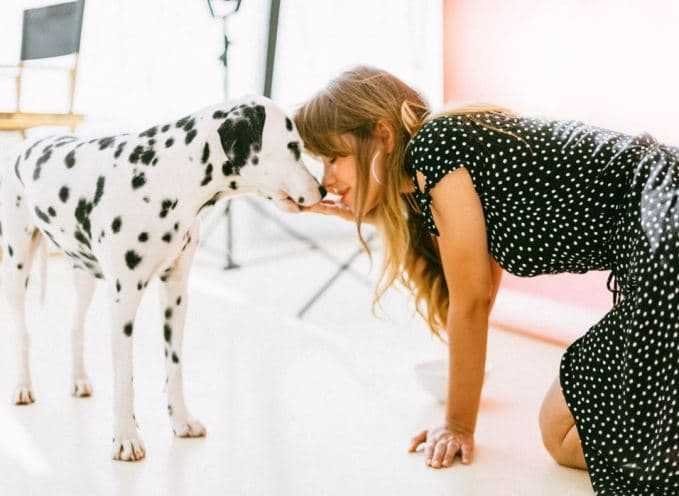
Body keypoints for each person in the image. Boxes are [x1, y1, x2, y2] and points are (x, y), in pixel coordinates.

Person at [293, 65, 679, 495]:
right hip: (661, 232)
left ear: (382, 136)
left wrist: (458, 424)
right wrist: (359, 209)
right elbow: (475, 281)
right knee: (564, 437)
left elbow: (473, 301)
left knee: (612, 450)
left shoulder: (436, 146)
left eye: (333, 158)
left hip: (665, 229)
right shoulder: (440, 166)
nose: (327, 179)